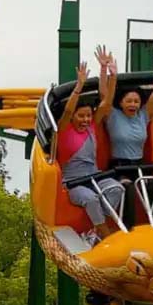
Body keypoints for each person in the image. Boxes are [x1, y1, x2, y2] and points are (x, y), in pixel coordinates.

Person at [96, 45, 153, 228]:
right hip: (119, 166)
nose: (133, 104)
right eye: (129, 100)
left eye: (136, 101)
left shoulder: (143, 116)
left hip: (139, 164)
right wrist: (105, 70)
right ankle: (128, 230)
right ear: (120, 102)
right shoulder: (112, 115)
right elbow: (104, 95)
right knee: (126, 187)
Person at [57, 62, 123, 246]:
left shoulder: (92, 127)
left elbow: (107, 103)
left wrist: (112, 75)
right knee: (90, 199)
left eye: (88, 116)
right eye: (81, 116)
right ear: (73, 117)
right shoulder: (64, 131)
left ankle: (95, 229)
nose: (86, 119)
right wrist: (79, 86)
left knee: (117, 188)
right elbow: (69, 109)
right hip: (73, 183)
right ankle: (106, 234)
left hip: (95, 176)